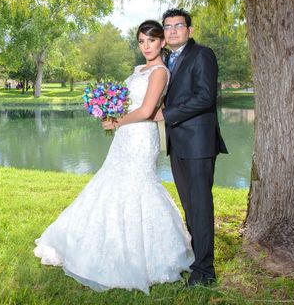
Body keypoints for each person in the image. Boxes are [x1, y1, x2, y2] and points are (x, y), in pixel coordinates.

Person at [34, 20, 194, 293]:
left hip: (141, 137)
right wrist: (108, 109)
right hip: (125, 138)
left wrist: (116, 121)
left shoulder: (159, 73)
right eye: (141, 41)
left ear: (162, 42)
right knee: (111, 183)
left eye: (151, 40)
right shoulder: (138, 70)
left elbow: (145, 111)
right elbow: (130, 103)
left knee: (138, 187)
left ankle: (144, 256)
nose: (146, 46)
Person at [154, 8, 227, 287]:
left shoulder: (202, 54)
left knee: (200, 206)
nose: (172, 31)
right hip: (178, 143)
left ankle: (205, 271)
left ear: (190, 30)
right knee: (190, 206)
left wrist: (167, 115)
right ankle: (196, 260)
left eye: (178, 26)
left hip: (198, 143)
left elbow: (205, 97)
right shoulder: (167, 60)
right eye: (167, 26)